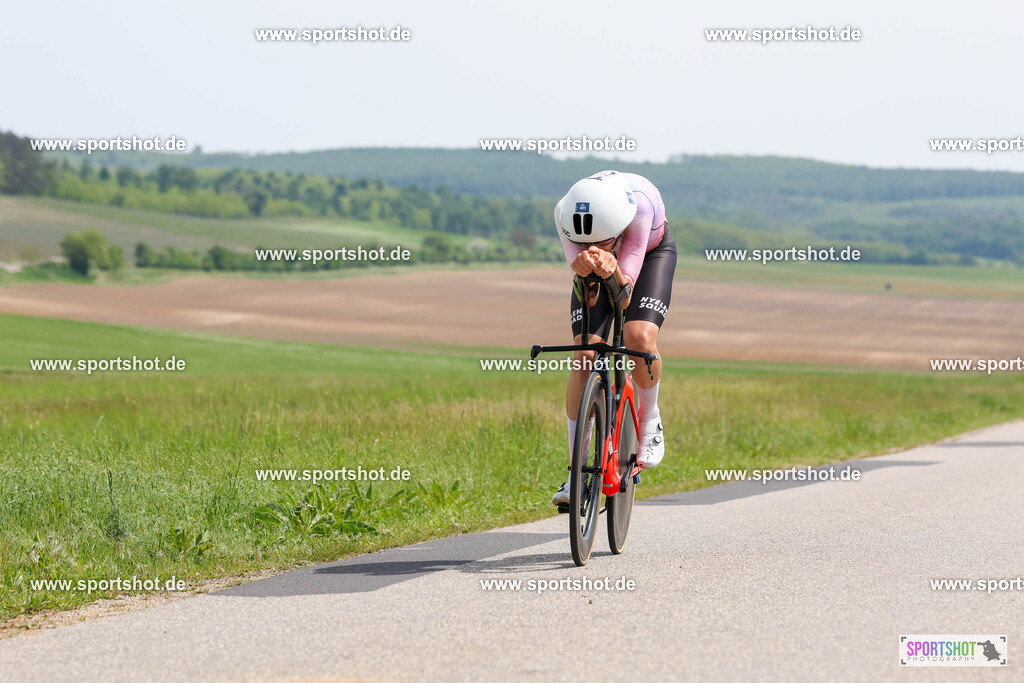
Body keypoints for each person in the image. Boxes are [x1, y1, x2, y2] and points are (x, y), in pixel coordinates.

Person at [551, 170, 677, 506]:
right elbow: (590, 290)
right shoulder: (564, 211)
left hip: (648, 257)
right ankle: (575, 473)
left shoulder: (640, 210)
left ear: (617, 230)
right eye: (584, 243)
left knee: (638, 337)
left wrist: (613, 269)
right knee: (584, 355)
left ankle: (650, 420)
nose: (590, 248)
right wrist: (589, 267)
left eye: (600, 242)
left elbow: (624, 295)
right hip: (603, 266)